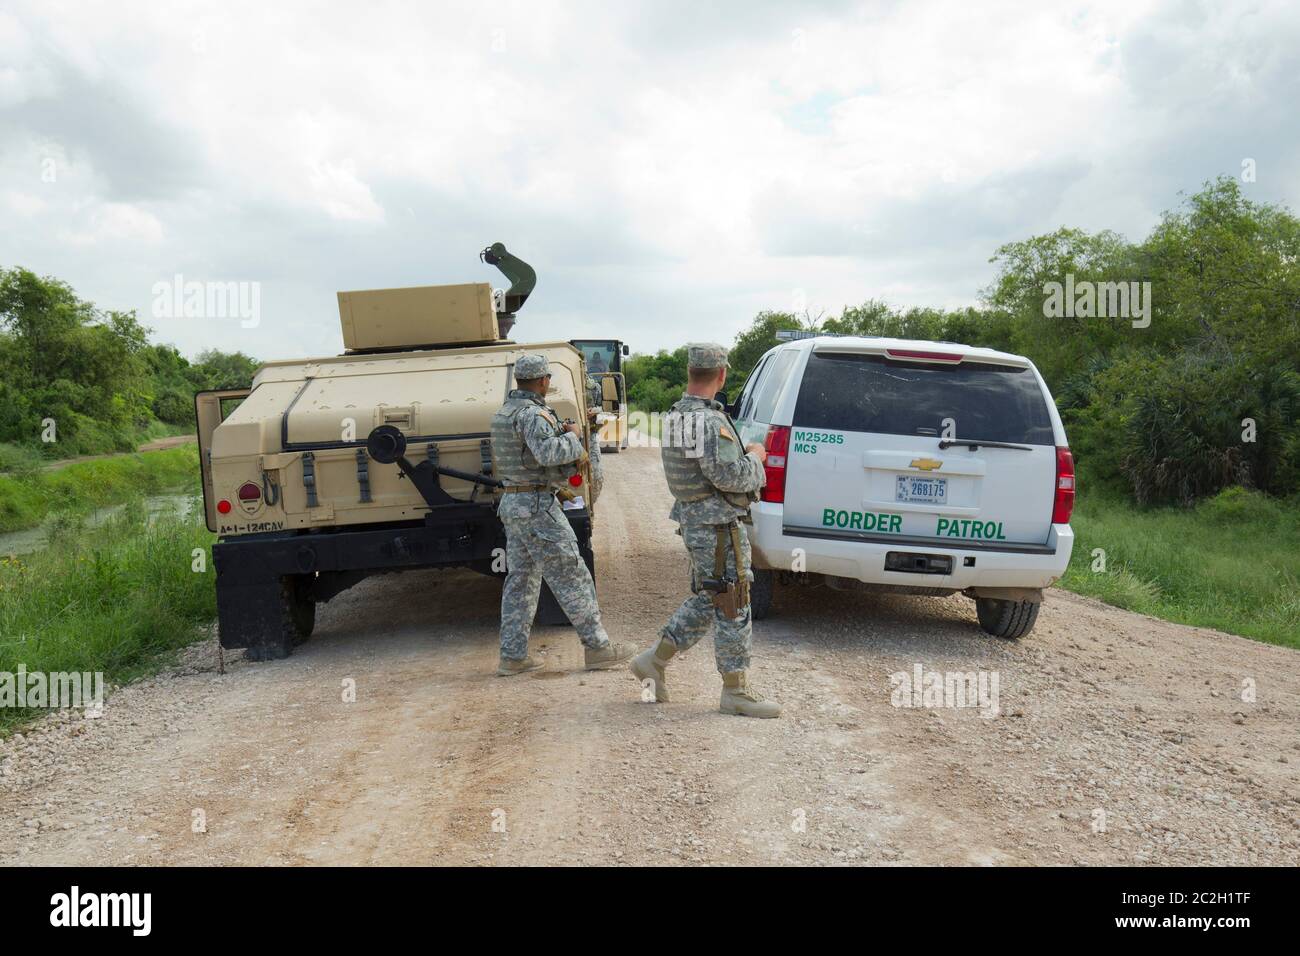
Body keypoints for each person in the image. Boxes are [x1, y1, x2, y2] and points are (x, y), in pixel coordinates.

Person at [629, 343, 782, 717]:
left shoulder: (679, 415)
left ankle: (655, 660)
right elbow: (729, 475)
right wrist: (756, 459)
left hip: (700, 524)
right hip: (717, 527)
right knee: (733, 598)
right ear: (722, 374)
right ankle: (735, 691)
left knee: (711, 597)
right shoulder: (708, 421)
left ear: (689, 373)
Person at [489, 354, 633, 675]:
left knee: (521, 581)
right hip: (538, 506)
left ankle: (512, 656)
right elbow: (547, 453)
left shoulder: (503, 413)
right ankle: (598, 648)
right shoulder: (532, 415)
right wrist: (573, 435)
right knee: (571, 573)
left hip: (514, 504)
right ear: (543, 381)